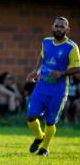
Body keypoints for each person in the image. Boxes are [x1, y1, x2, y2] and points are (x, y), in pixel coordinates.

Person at [26, 17, 80, 156]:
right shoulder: (46, 41)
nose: (58, 29)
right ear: (52, 27)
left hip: (59, 90)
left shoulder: (72, 47)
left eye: (62, 27)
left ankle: (44, 148)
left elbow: (77, 68)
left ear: (67, 29)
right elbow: (42, 57)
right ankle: (39, 136)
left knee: (50, 121)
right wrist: (35, 71)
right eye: (56, 26)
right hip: (42, 86)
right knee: (31, 116)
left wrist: (61, 73)